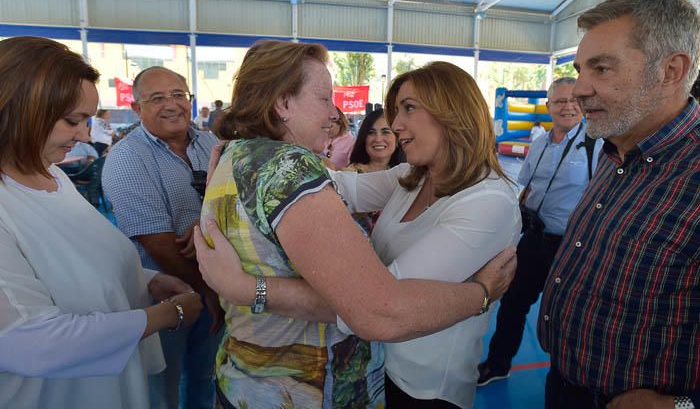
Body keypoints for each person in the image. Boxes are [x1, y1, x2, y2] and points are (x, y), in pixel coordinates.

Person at [194, 43, 519, 409]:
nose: (395, 125)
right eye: (324, 98)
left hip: (422, 384)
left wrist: (249, 288)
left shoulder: (488, 201)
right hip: (330, 377)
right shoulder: (407, 179)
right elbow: (334, 185)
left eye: (408, 109)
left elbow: (378, 303)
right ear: (283, 104)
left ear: (454, 113)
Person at [0, 36, 202, 408]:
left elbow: (74, 261)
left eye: (87, 120)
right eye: (72, 120)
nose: (84, 135)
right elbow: (28, 340)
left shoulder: (53, 176)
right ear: (21, 110)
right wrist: (164, 315)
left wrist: (147, 278)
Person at [538, 0, 700, 408]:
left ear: (670, 70)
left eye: (602, 68)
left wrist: (681, 406)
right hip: (564, 383)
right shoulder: (615, 147)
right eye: (579, 70)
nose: (579, 89)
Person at [102, 67, 223, 409]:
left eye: (178, 95)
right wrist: (209, 291)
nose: (171, 105)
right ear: (137, 108)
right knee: (162, 384)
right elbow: (159, 243)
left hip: (217, 286)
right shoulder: (127, 159)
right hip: (164, 293)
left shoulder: (210, 144)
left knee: (207, 375)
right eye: (157, 98)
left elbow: (238, 204)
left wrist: (204, 223)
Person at [477, 77, 603, 386]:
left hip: (572, 247)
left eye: (574, 100)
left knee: (570, 315)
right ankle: (498, 363)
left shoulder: (596, 144)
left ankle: (573, 378)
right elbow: (526, 187)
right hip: (534, 240)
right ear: (548, 107)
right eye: (559, 101)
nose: (567, 106)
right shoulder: (539, 143)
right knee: (513, 304)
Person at [345, 108, 404, 233]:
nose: (378, 139)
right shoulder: (350, 176)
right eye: (371, 132)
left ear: (397, 139)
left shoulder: (407, 177)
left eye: (385, 132)